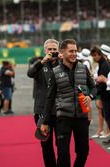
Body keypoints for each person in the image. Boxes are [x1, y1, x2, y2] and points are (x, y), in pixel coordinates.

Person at [41, 39, 96, 167]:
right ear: (62, 52)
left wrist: (90, 96)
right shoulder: (55, 72)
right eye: (71, 51)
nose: (74, 54)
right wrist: (44, 121)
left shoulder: (84, 68)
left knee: (83, 152)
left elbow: (94, 87)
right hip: (63, 117)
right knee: (63, 154)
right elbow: (49, 98)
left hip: (82, 117)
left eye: (75, 51)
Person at [27, 39, 60, 167]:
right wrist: (42, 61)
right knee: (46, 144)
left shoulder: (62, 64)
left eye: (54, 49)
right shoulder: (39, 64)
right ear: (45, 50)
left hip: (59, 110)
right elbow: (30, 73)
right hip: (42, 111)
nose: (52, 52)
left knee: (62, 144)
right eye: (49, 49)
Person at [91, 46, 110, 144]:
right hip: (105, 93)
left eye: (94, 56)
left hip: (107, 94)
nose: (93, 58)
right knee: (107, 115)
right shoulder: (103, 63)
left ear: (99, 55)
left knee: (108, 115)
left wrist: (96, 92)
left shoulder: (104, 64)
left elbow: (105, 80)